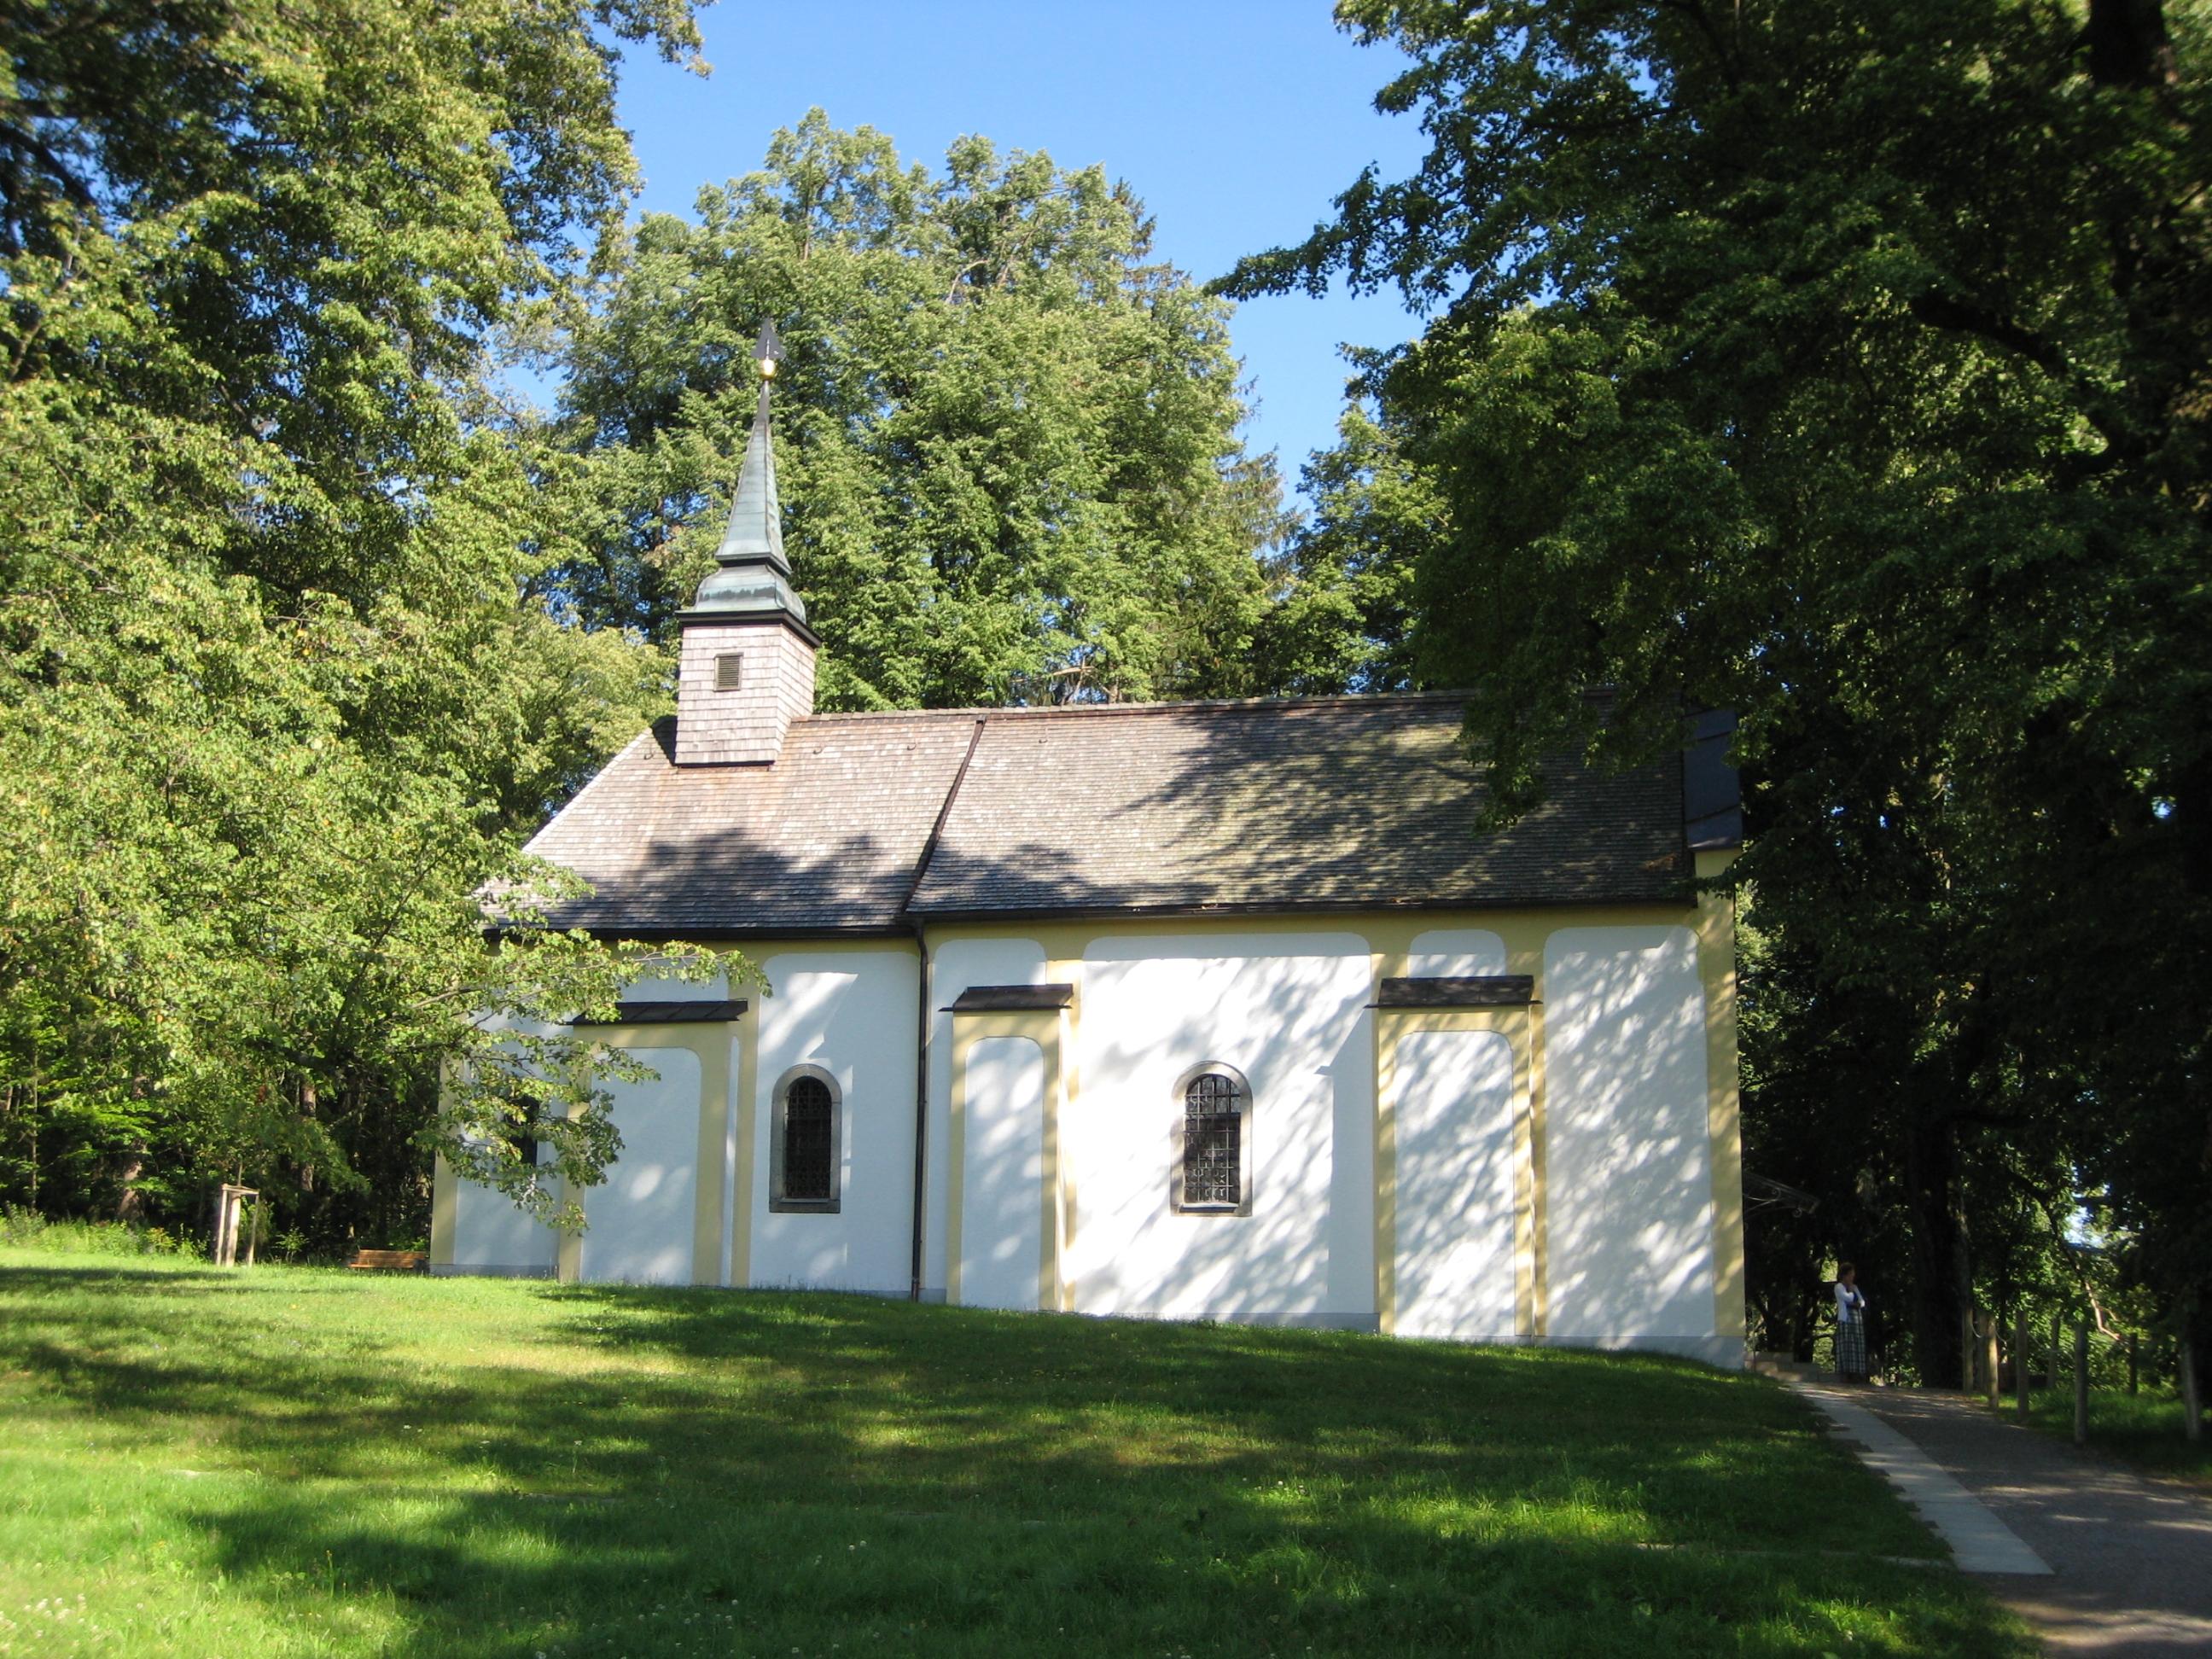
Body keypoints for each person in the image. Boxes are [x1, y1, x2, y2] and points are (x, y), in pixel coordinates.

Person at [1834, 1263, 1869, 1382]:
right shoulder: (1839, 1287)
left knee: (1857, 1344)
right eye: (1850, 1275)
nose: (1852, 1278)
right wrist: (1851, 1291)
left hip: (1856, 1319)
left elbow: (1862, 1302)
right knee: (1847, 1345)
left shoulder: (1854, 1287)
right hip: (1845, 1319)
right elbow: (1848, 1299)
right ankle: (1845, 1373)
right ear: (1844, 1275)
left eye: (1853, 1276)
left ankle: (1856, 1373)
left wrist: (1856, 1301)